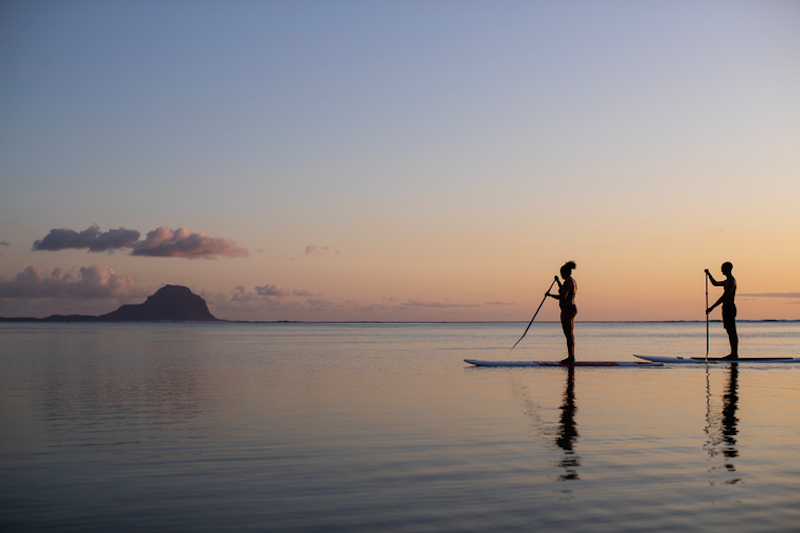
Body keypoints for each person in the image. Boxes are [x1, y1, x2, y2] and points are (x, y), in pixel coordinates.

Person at [546, 261, 577, 364]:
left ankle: (571, 358)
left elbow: (563, 296)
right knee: (569, 334)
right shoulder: (571, 281)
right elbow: (563, 291)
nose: (561, 274)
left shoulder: (568, 282)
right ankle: (571, 357)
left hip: (567, 309)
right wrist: (558, 282)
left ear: (565, 272)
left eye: (561, 273)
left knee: (568, 334)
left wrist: (550, 295)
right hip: (570, 308)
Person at [706, 262, 738, 360]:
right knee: (729, 331)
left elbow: (724, 297)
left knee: (732, 331)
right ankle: (733, 354)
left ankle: (734, 354)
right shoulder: (727, 281)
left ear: (728, 269)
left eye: (722, 268)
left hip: (729, 308)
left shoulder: (731, 282)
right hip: (726, 308)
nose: (721, 270)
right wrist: (709, 274)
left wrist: (711, 308)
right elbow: (715, 283)